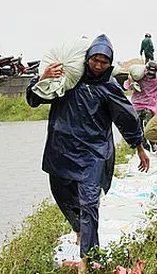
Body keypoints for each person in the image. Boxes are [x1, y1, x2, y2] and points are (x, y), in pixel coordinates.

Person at [26, 34, 150, 273]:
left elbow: (127, 117)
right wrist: (43, 78)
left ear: (110, 64)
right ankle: (79, 229)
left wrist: (139, 147)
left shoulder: (108, 88)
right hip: (62, 149)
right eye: (95, 60)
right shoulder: (69, 80)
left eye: (104, 62)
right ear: (87, 58)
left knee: (89, 204)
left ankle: (87, 261)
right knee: (60, 192)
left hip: (93, 154)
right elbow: (34, 99)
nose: (98, 65)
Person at [124, 60, 157, 150]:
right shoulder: (141, 77)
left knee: (143, 127)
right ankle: (146, 145)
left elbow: (127, 86)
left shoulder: (147, 78)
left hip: (141, 106)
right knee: (146, 127)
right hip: (147, 106)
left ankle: (148, 145)